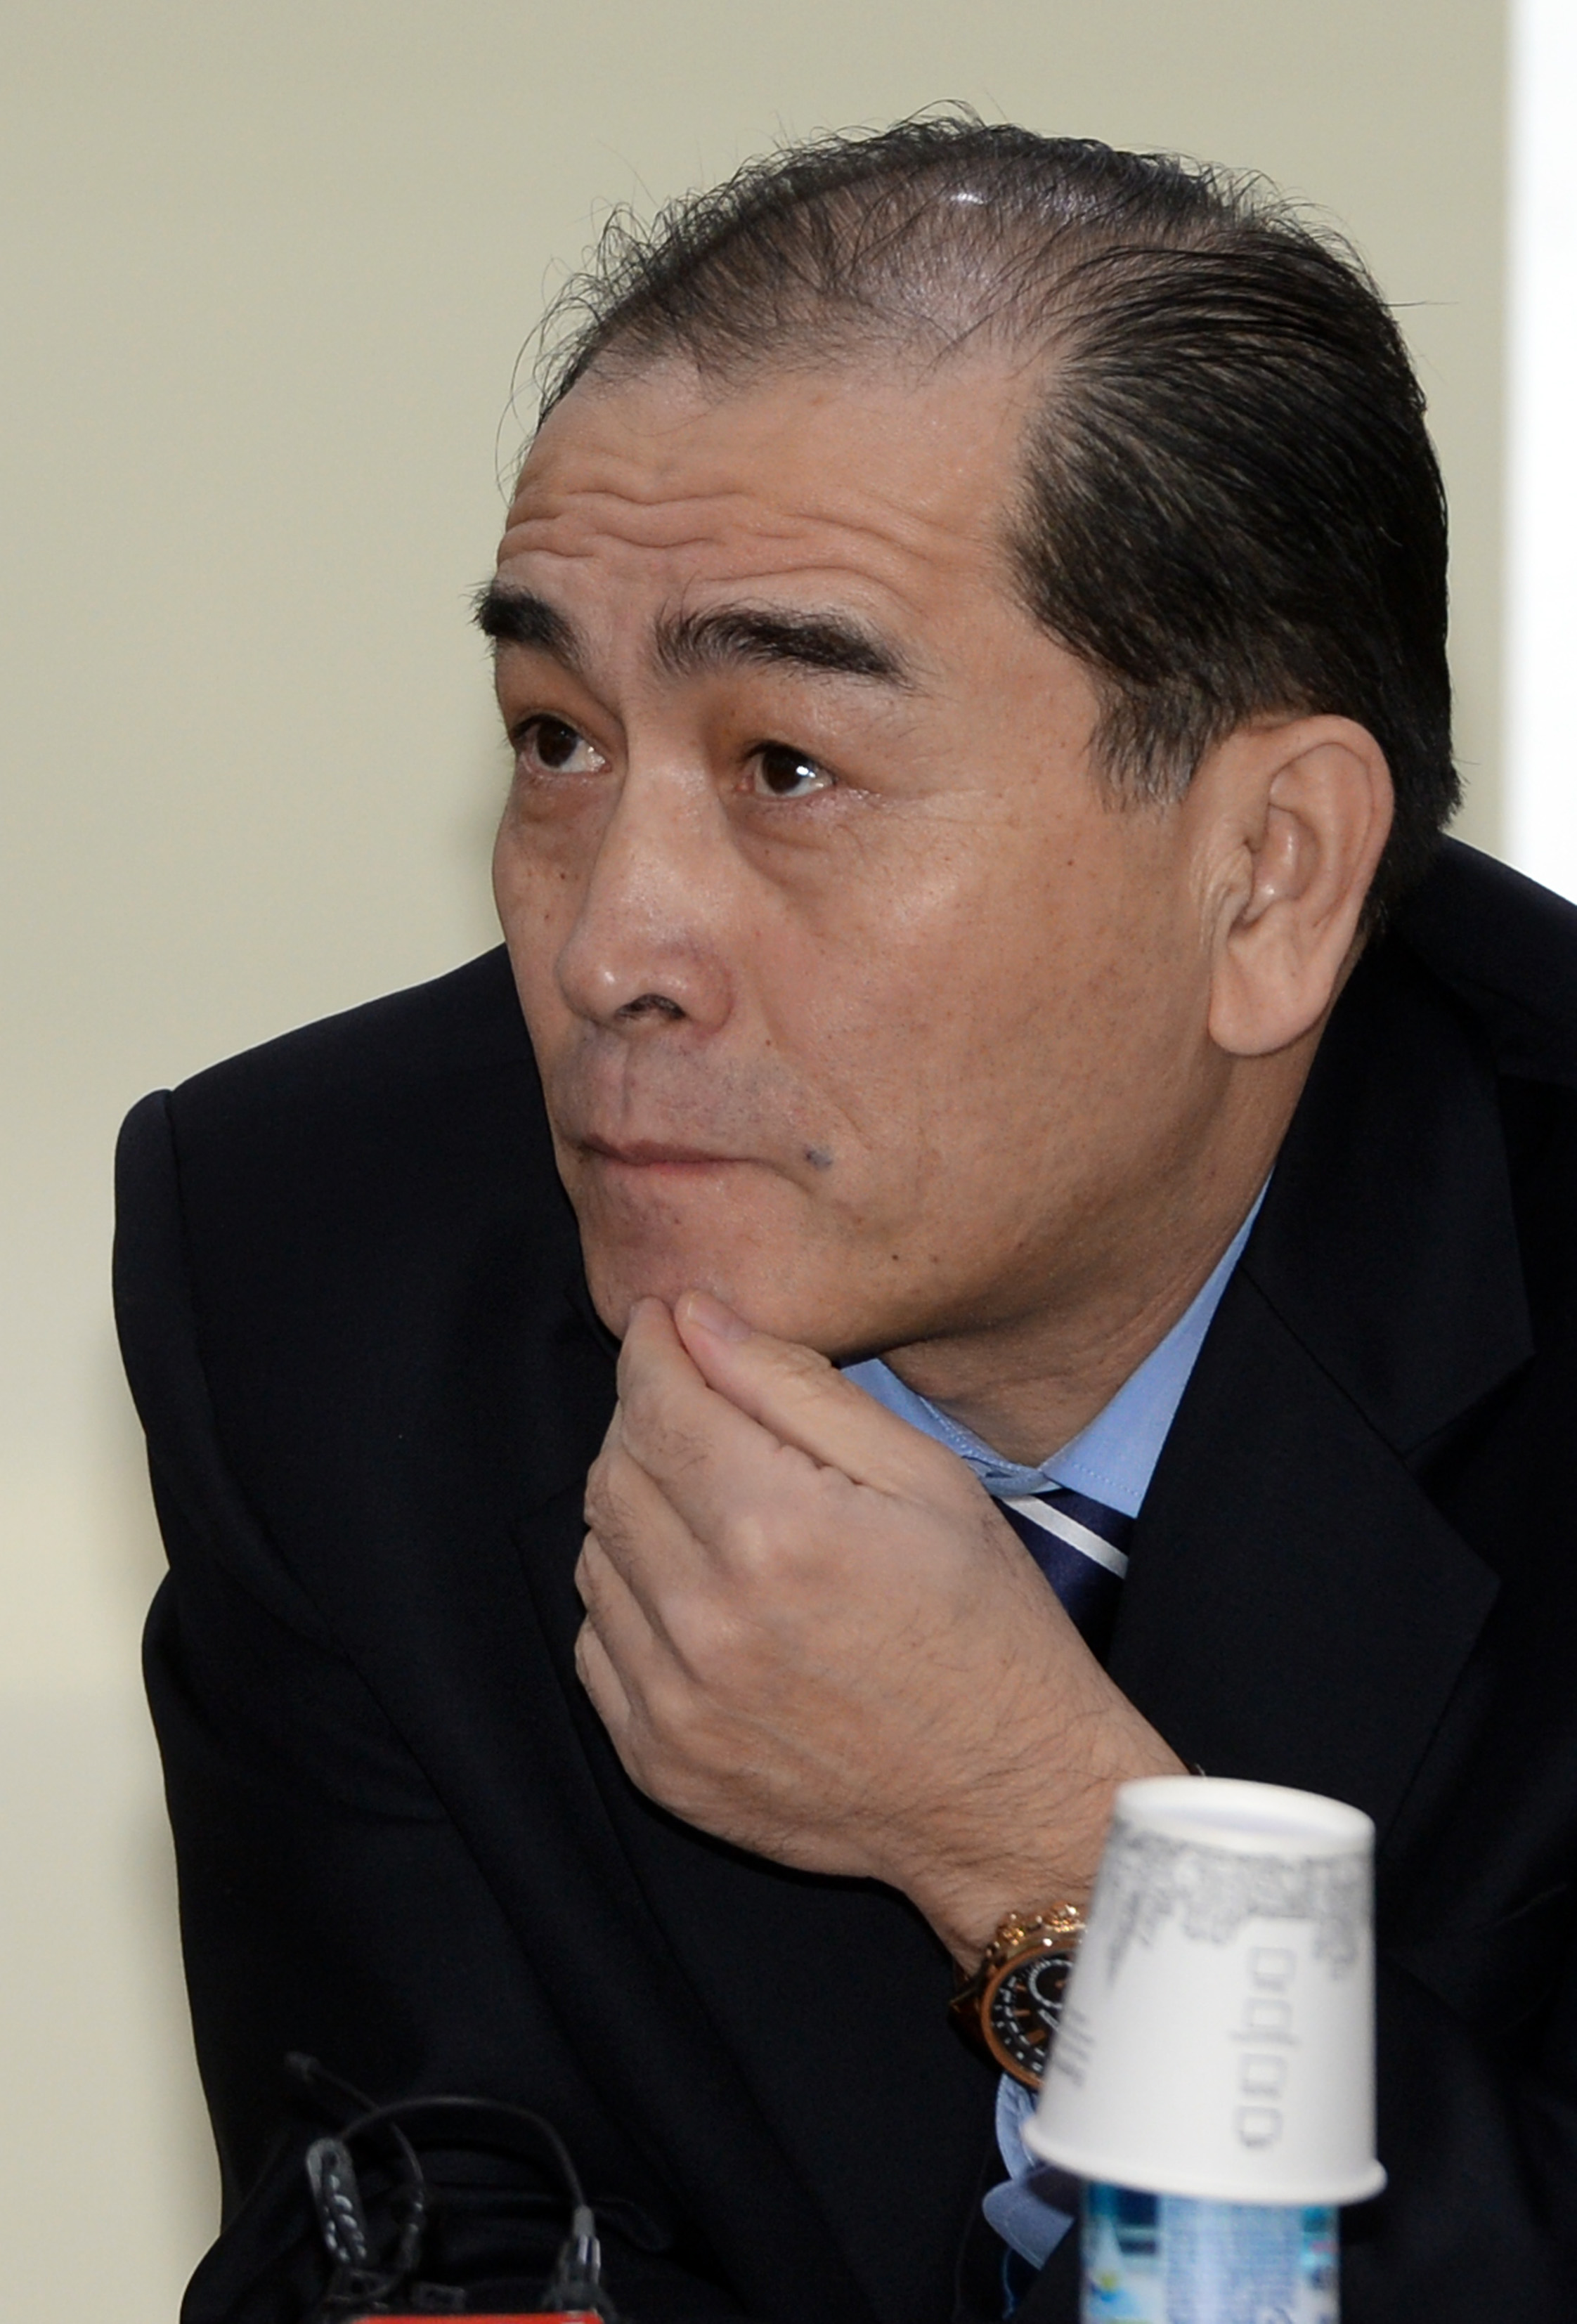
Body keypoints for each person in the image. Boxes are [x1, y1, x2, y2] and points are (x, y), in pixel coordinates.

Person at [115, 119, 1577, 2323]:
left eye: (784, 767)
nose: (610, 946)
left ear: (1265, 875)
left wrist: (1031, 1840)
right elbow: (427, 2233)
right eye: (556, 739)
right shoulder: (328, 1257)